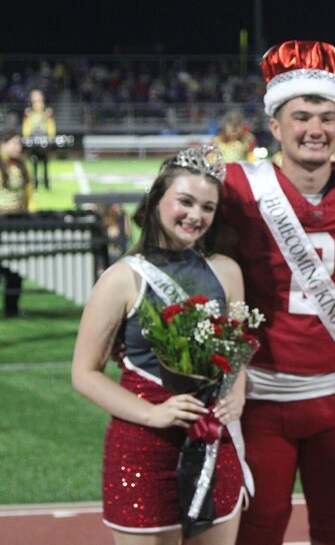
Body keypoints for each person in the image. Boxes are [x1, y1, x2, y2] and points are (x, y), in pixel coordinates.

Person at [215, 40, 335, 545]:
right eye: (301, 116)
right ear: (275, 125)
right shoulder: (236, 187)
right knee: (256, 531)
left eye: (326, 115)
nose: (315, 128)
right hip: (259, 398)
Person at [71, 147, 248, 544]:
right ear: (155, 201)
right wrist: (153, 414)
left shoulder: (227, 271)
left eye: (207, 207)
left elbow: (237, 352)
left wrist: (237, 392)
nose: (195, 215)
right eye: (185, 201)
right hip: (145, 449)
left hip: (213, 444)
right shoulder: (120, 278)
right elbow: (84, 373)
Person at [0, 130, 33, 317]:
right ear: (2, 144)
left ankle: (12, 308)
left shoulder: (21, 165)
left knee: (16, 267)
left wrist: (29, 211)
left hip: (19, 220)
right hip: (1, 220)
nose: (18, 147)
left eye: (19, 144)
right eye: (14, 143)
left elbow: (28, 194)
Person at [21, 89, 56, 189]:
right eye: (34, 97)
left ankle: (46, 183)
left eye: (38, 96)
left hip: (44, 139)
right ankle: (35, 183)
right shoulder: (28, 112)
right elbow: (26, 125)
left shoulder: (47, 112)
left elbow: (51, 125)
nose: (36, 99)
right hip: (33, 140)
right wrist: (26, 136)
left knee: (45, 162)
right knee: (34, 162)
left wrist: (51, 136)